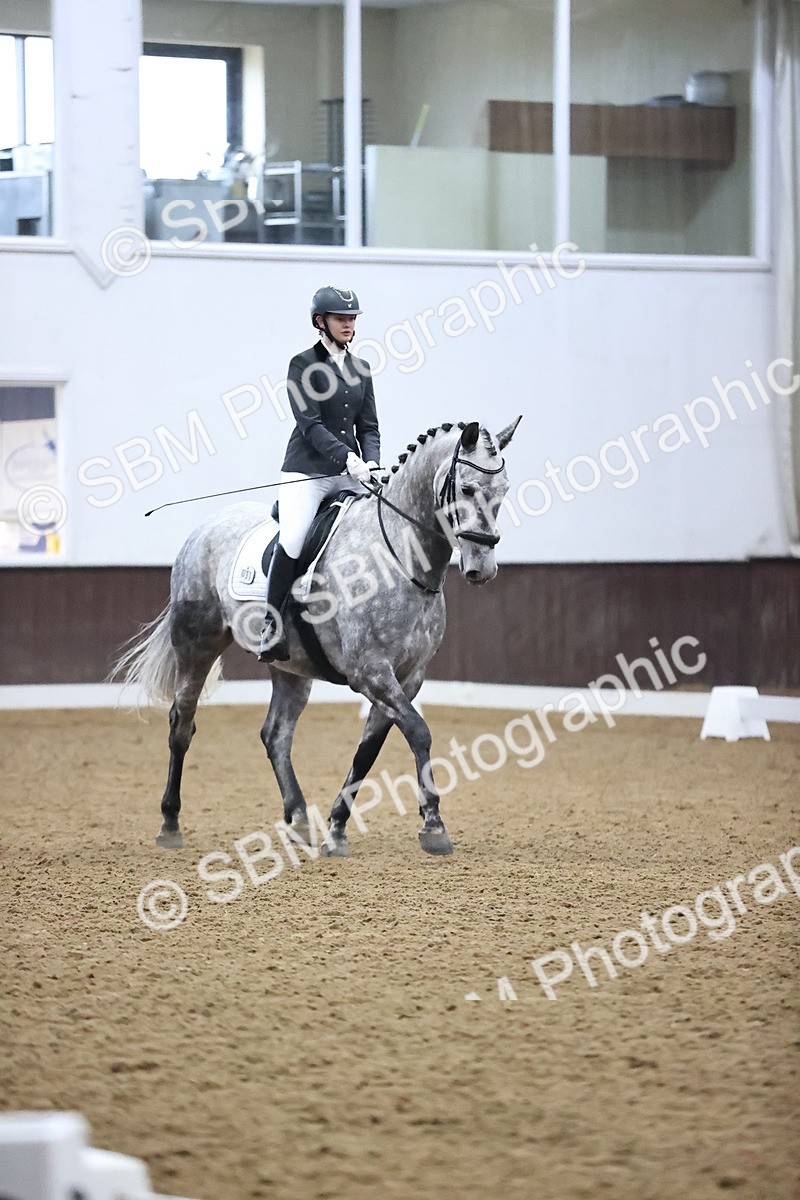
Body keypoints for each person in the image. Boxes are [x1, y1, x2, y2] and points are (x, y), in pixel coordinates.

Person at [258, 285, 381, 662]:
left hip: (352, 471)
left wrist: (372, 462)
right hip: (307, 471)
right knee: (294, 538)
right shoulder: (302, 365)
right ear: (320, 322)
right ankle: (272, 624)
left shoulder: (361, 369)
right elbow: (309, 424)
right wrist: (349, 459)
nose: (349, 324)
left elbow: (369, 427)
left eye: (352, 319)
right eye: (341, 319)